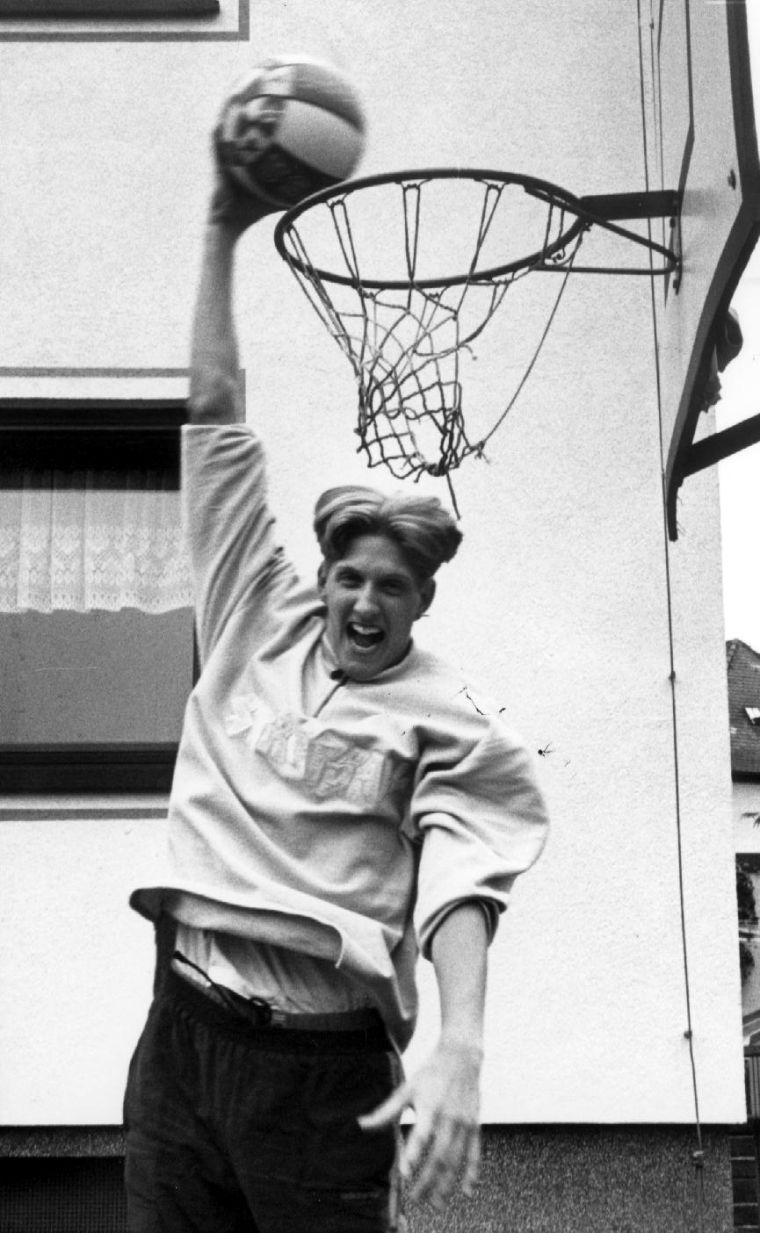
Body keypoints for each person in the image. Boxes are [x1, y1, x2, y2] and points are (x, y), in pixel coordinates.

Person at [123, 149, 549, 1233]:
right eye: (348, 577)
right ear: (320, 578)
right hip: (182, 1041)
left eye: (390, 588)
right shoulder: (249, 614)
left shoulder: (455, 717)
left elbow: (462, 878)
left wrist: (460, 1044)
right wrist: (222, 229)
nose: (363, 602)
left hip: (321, 1081)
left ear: (421, 605)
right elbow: (215, 407)